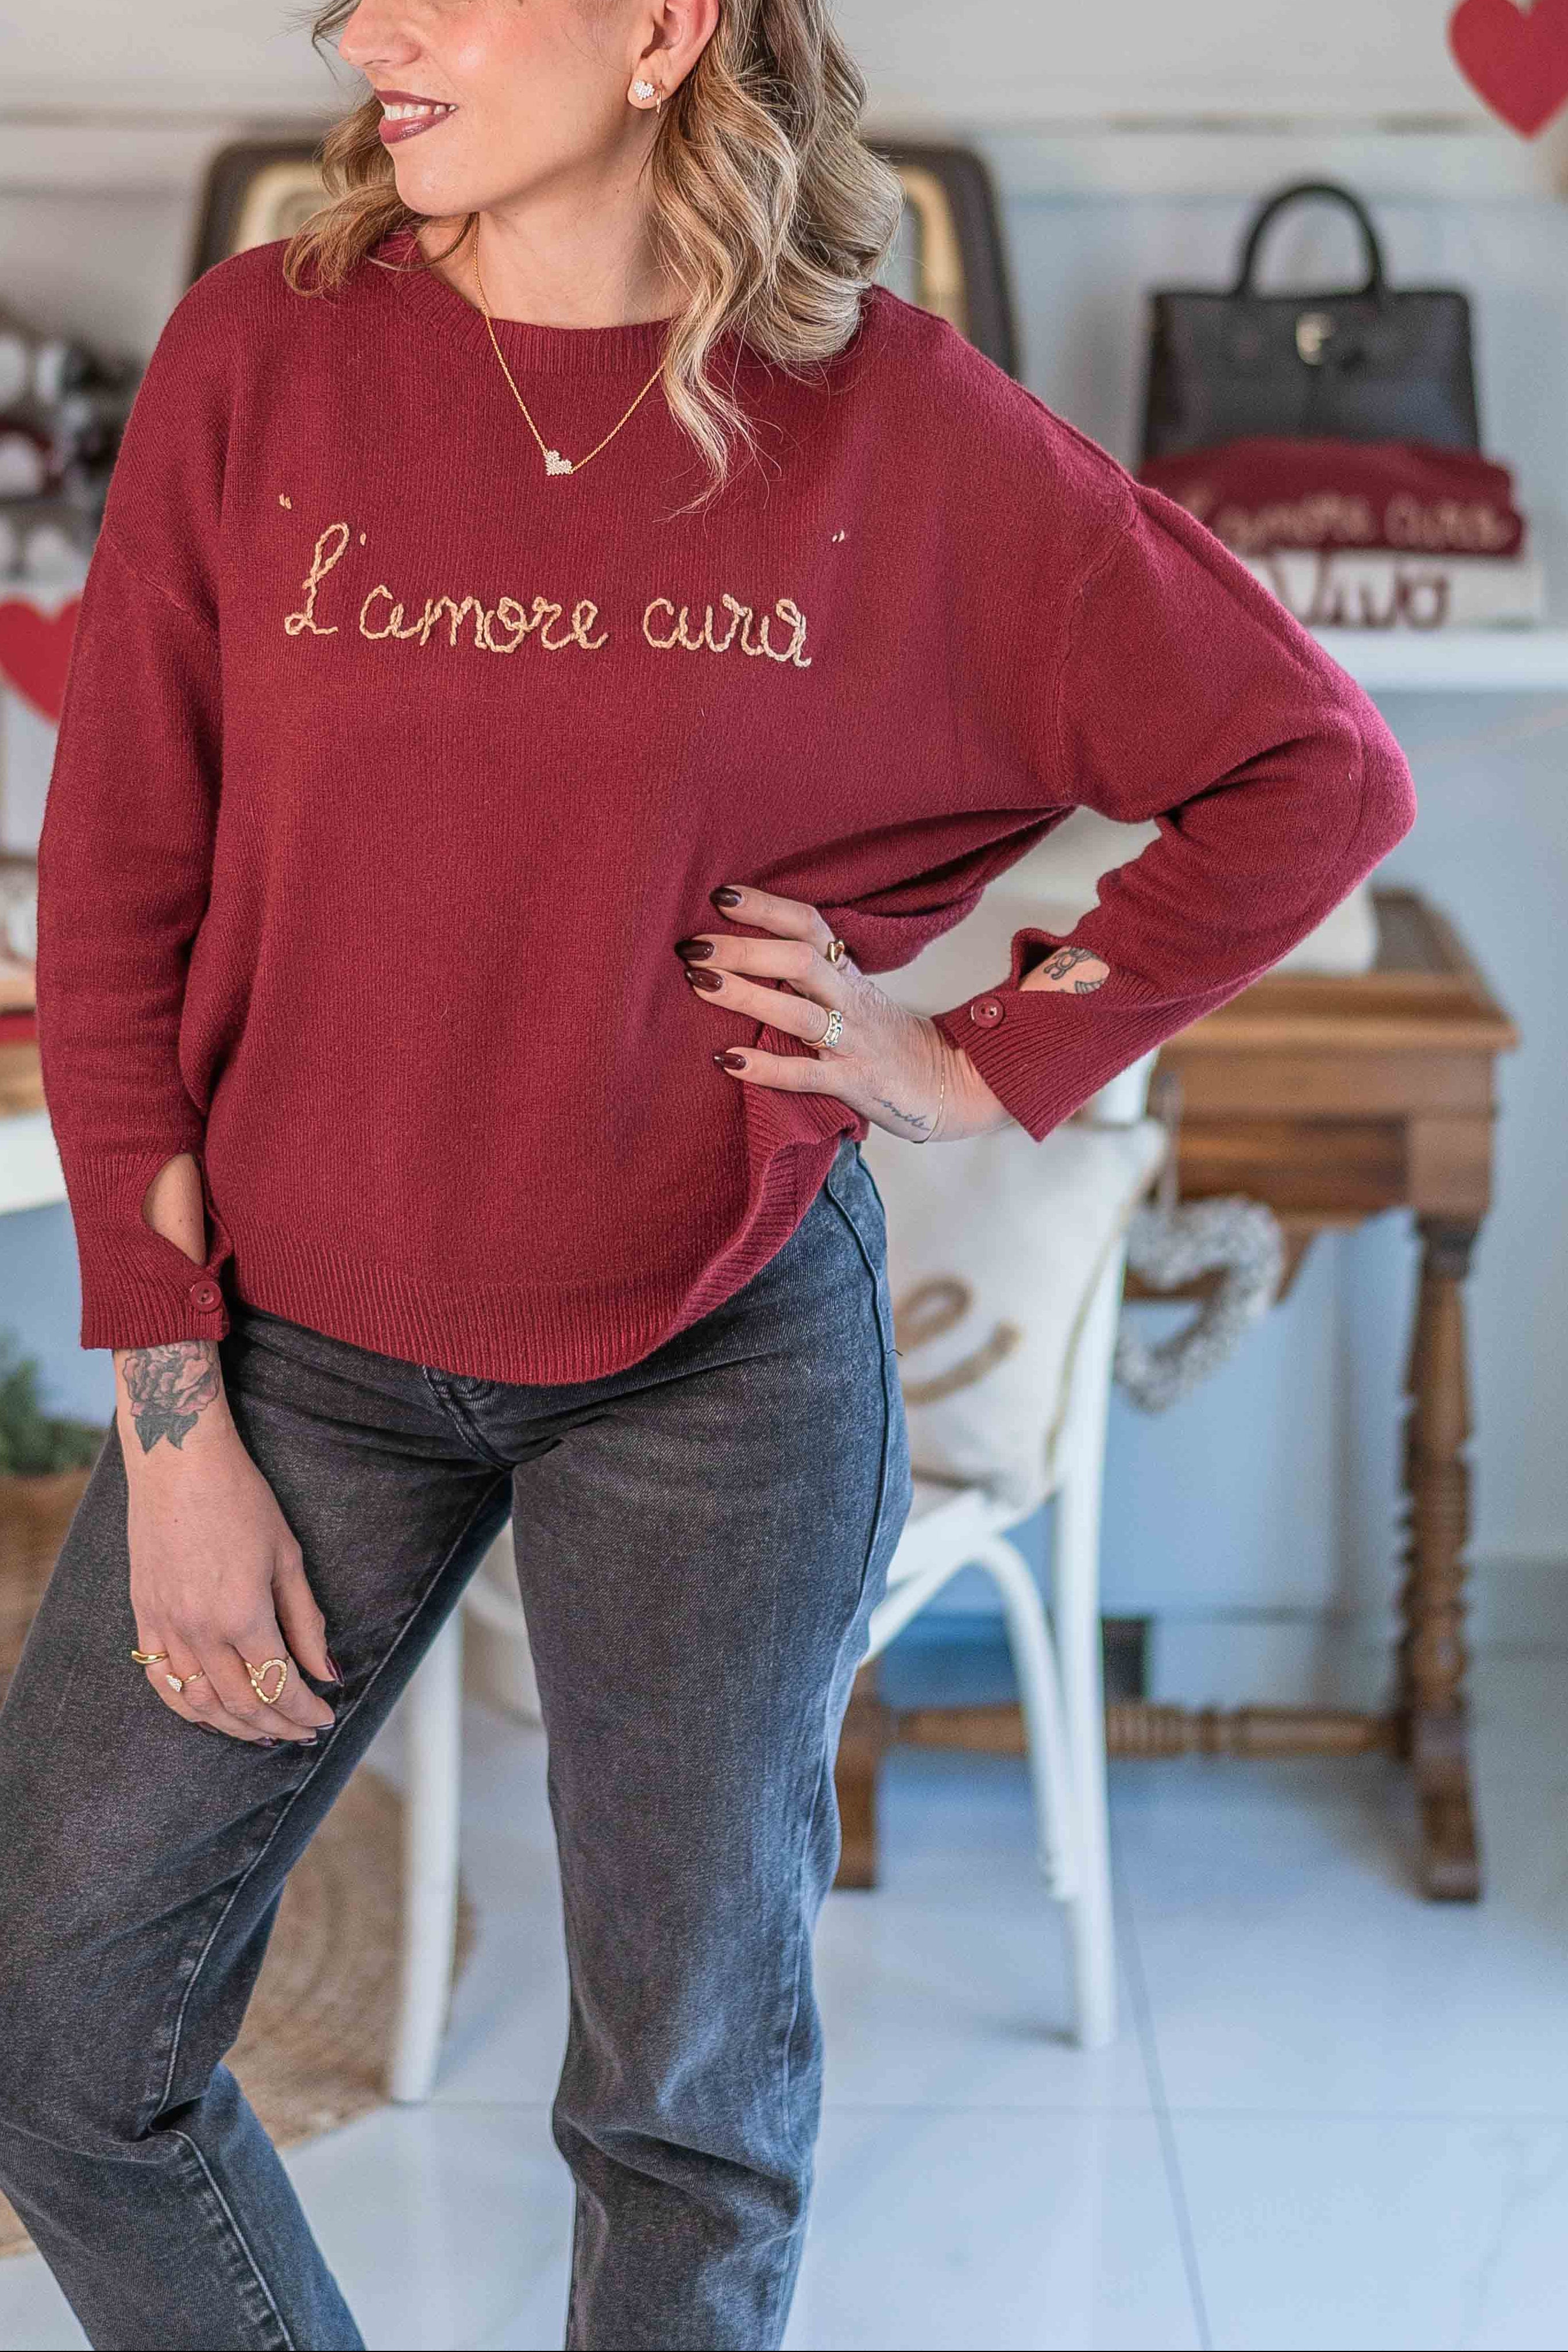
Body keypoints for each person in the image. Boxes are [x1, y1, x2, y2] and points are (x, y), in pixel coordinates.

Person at [0, 1, 1417, 2346]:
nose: (364, 32)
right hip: (295, 1341)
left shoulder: (895, 425)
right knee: (60, 2032)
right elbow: (121, 892)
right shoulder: (265, 355)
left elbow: (1310, 769)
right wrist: (169, 1421)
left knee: (682, 2121)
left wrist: (970, 1056)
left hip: (712, 1357)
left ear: (661, 29)